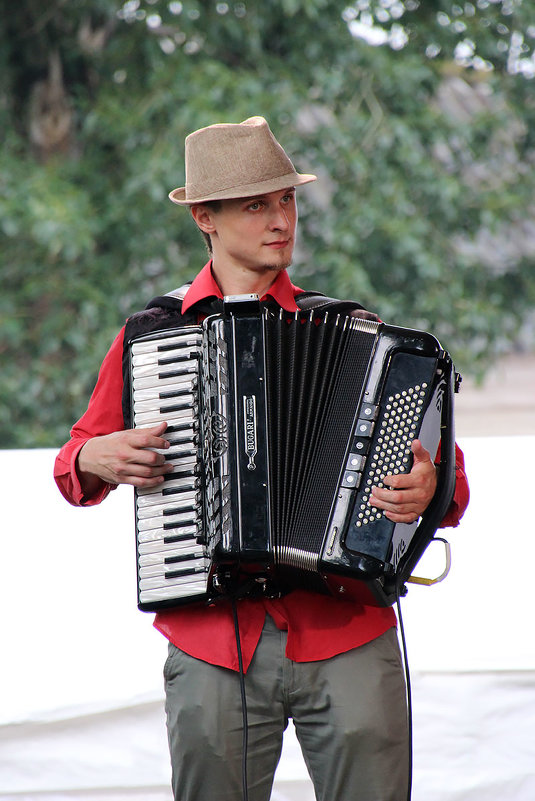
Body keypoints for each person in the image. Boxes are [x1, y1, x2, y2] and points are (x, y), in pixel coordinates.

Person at [54, 116, 469, 801]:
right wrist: (96, 453)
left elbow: (448, 483)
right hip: (213, 641)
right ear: (203, 219)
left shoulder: (351, 330)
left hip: (347, 630)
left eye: (286, 200)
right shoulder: (153, 337)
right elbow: (74, 468)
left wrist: (426, 487)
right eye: (256, 204)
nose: (280, 219)